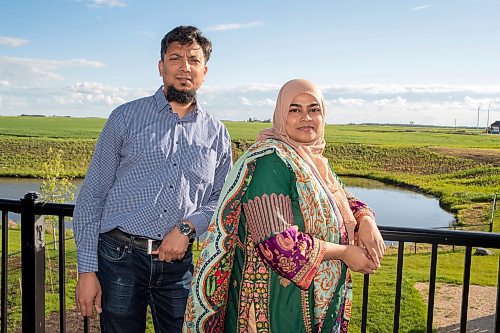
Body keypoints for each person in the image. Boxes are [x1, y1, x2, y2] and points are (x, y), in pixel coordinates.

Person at [182, 79, 385, 333]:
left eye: (314, 109)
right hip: (274, 305)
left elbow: (342, 197)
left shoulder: (313, 160)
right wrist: (344, 252)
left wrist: (365, 219)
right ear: (280, 114)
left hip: (315, 301)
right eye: (294, 109)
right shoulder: (271, 160)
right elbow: (277, 243)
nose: (306, 117)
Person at [73, 25, 232, 333]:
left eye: (193, 60)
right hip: (119, 258)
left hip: (178, 264)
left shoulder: (217, 134)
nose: (184, 67)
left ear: (205, 71)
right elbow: (92, 197)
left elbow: (220, 201)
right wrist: (87, 270)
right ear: (161, 67)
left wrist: (187, 228)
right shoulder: (124, 118)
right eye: (175, 58)